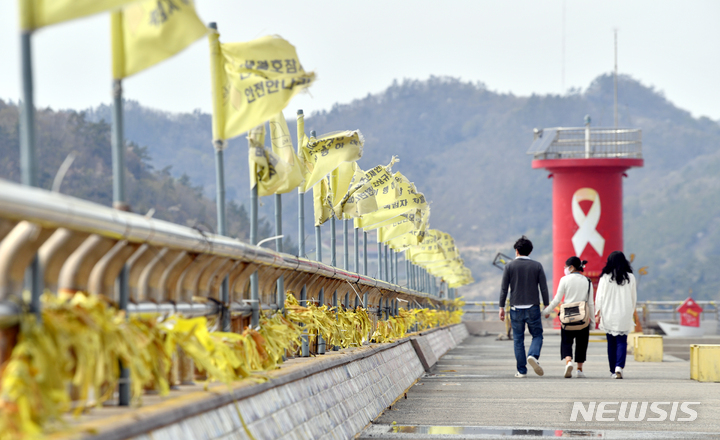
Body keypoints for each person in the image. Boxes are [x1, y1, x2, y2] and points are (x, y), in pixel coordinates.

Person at [499, 236, 550, 378]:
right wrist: (546, 305)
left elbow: (504, 289)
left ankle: (521, 371)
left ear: (516, 251)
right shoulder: (537, 266)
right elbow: (543, 288)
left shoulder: (509, 266)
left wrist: (501, 307)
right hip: (533, 307)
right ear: (530, 251)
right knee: (537, 335)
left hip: (515, 308)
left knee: (518, 339)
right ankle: (533, 355)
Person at [542, 256, 594, 378]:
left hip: (567, 316)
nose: (564, 268)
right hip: (583, 316)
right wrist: (592, 321)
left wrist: (545, 312)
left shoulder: (564, 280)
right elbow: (591, 303)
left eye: (566, 266)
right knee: (582, 343)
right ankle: (579, 370)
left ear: (571, 267)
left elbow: (556, 300)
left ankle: (568, 361)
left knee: (566, 341)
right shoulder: (587, 281)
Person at [594, 251, 637, 379]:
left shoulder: (605, 277)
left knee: (611, 343)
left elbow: (599, 297)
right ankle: (619, 367)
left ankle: (613, 370)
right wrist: (631, 311)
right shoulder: (630, 277)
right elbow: (633, 297)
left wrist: (598, 312)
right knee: (622, 341)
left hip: (608, 313)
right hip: (624, 312)